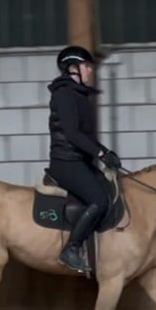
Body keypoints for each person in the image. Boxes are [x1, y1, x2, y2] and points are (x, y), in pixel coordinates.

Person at [46, 45, 122, 272]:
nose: (90, 71)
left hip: (79, 161)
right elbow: (72, 134)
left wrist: (106, 153)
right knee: (99, 200)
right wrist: (100, 153)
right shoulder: (65, 95)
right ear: (73, 68)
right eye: (86, 66)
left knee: (110, 191)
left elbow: (86, 135)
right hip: (66, 163)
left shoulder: (77, 94)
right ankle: (71, 249)